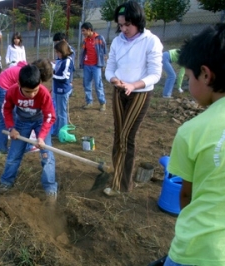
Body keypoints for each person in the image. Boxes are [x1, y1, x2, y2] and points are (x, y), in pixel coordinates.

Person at [163, 23, 225, 266]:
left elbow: (186, 195)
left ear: (206, 74)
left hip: (199, 249)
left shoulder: (192, 131)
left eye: (188, 77)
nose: (188, 85)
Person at [104, 1, 163, 196]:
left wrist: (133, 85)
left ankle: (120, 185)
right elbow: (110, 67)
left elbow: (155, 74)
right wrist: (113, 79)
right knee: (118, 134)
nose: (124, 29)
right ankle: (118, 174)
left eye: (127, 24)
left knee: (126, 137)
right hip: (119, 91)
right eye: (120, 25)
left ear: (138, 21)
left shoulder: (150, 41)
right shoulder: (118, 41)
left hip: (140, 93)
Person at [0, 65, 57, 204]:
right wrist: (11, 128)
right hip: (22, 122)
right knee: (14, 155)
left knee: (46, 156)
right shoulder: (12, 91)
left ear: (40, 84)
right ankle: (6, 182)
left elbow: (50, 116)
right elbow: (6, 109)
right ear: (19, 84)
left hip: (40, 122)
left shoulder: (43, 93)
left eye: (35, 91)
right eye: (28, 92)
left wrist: (41, 136)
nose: (32, 95)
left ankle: (50, 189)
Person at [0, 59, 53, 154]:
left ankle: (1, 149)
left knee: (4, 119)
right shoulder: (24, 76)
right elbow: (22, 96)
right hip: (2, 89)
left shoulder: (25, 71)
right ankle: (26, 146)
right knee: (16, 117)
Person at [80, 22, 107, 111]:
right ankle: (89, 102)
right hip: (87, 65)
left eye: (84, 31)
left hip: (96, 66)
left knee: (98, 85)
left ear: (89, 30)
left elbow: (104, 52)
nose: (82, 33)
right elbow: (83, 52)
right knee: (87, 84)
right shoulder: (85, 40)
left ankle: (102, 103)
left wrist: (103, 64)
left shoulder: (99, 38)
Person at [52, 40, 74, 137]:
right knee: (57, 111)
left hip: (63, 90)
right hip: (57, 89)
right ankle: (57, 131)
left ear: (63, 51)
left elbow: (64, 77)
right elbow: (56, 71)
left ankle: (63, 132)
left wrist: (52, 76)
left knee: (62, 112)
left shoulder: (68, 61)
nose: (57, 54)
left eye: (58, 52)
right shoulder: (59, 60)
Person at [53, 32, 76, 97]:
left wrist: (70, 81)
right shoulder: (60, 49)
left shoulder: (70, 50)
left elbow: (69, 66)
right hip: (58, 74)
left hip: (65, 75)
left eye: (57, 42)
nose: (56, 44)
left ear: (63, 40)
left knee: (64, 95)